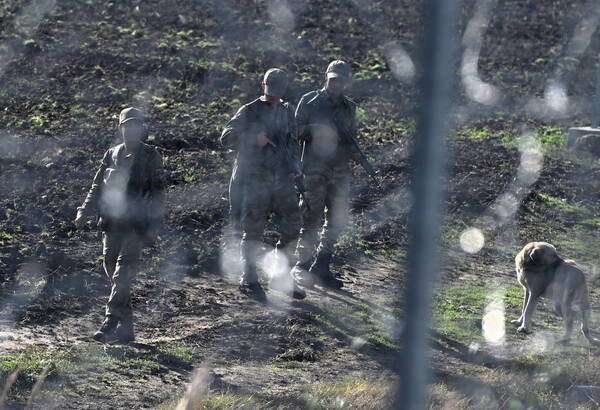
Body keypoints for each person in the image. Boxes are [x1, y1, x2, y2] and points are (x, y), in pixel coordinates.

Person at [74, 107, 166, 343]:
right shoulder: (111, 154)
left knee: (123, 274)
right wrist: (84, 211)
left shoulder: (151, 156)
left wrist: (155, 227)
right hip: (111, 224)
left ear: (142, 129)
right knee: (113, 274)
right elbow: (97, 187)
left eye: (136, 125)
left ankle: (110, 321)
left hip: (136, 227)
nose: (131, 130)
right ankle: (127, 330)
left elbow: (158, 194)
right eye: (127, 125)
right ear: (120, 128)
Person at [220, 68, 306, 300]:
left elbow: (293, 144)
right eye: (270, 88)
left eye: (278, 90)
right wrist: (252, 140)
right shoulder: (249, 110)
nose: (274, 94)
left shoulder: (288, 111)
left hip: (282, 182)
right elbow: (226, 137)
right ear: (263, 86)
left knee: (292, 226)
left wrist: (296, 168)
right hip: (255, 181)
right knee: (253, 232)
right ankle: (249, 279)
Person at [291, 60, 362, 289]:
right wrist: (315, 130)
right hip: (314, 168)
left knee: (336, 220)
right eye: (333, 79)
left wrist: (356, 154)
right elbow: (293, 133)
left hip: (339, 170)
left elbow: (351, 136)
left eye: (340, 80)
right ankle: (301, 266)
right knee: (310, 216)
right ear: (326, 78)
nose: (336, 84)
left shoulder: (349, 107)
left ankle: (322, 265)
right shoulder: (309, 101)